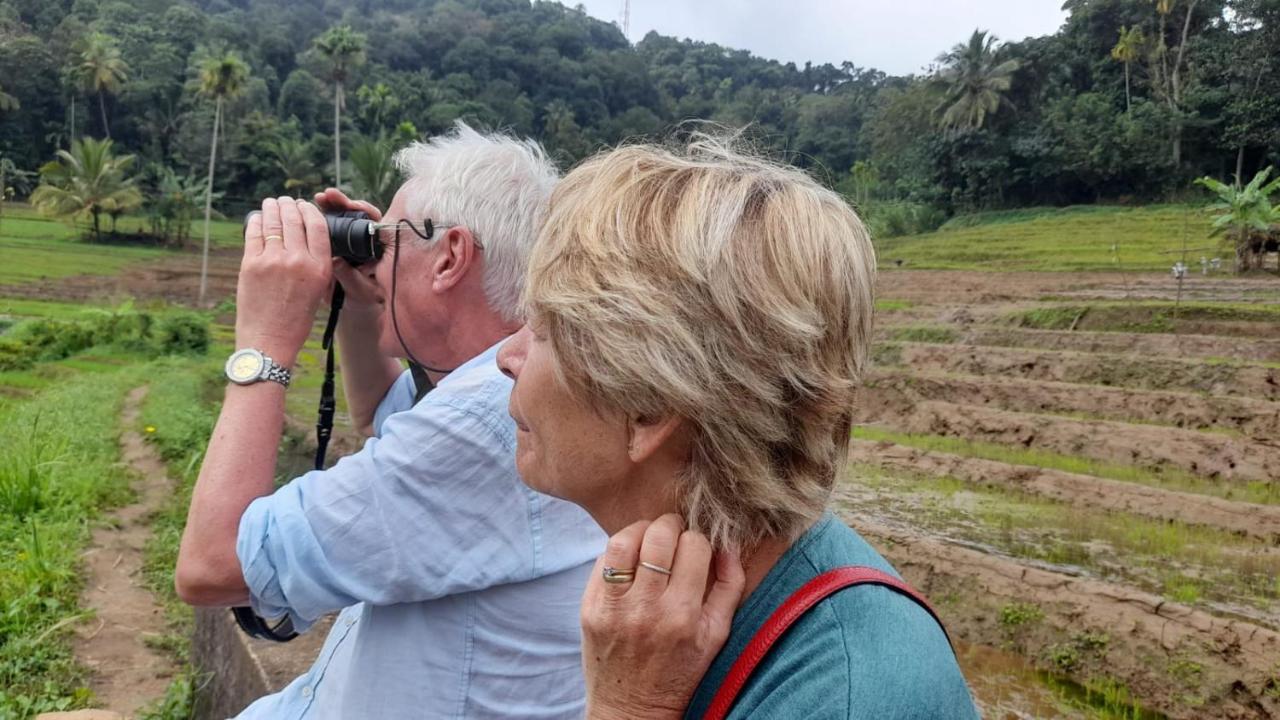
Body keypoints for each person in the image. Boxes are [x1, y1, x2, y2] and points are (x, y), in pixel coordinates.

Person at [496, 136, 980, 719]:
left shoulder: (850, 700)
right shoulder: (678, 615)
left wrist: (628, 707)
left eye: (543, 331)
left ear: (646, 407)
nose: (507, 356)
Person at [174, 123, 605, 719]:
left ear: (450, 257)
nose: (375, 258)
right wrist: (357, 296)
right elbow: (382, 413)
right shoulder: (499, 381)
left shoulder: (490, 414)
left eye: (387, 242)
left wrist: (265, 344)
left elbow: (211, 564)